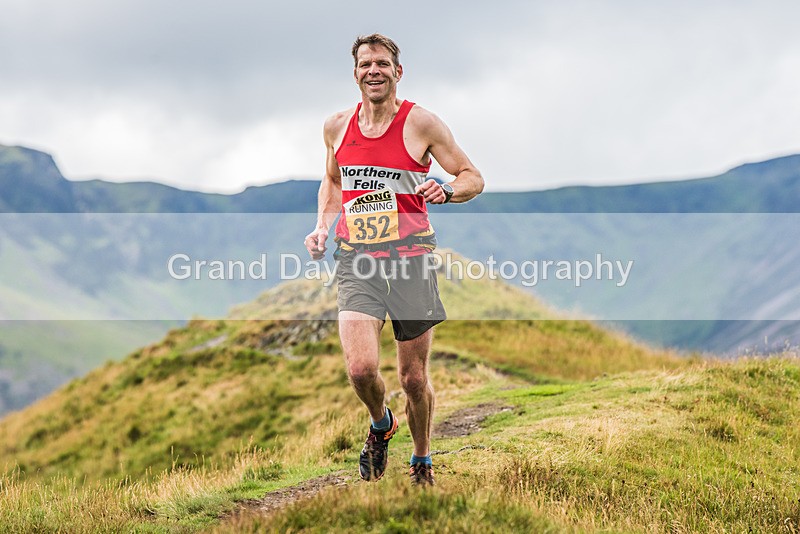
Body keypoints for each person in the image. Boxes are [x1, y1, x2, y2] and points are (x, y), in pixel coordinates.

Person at [304, 33, 483, 486]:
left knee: (413, 377)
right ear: (356, 73)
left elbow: (472, 177)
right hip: (357, 258)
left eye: (382, 64)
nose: (374, 71)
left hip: (410, 261)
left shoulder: (422, 124)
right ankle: (381, 424)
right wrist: (323, 226)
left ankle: (421, 458)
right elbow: (333, 182)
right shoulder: (336, 127)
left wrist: (445, 189)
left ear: (397, 72)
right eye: (366, 65)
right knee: (361, 369)